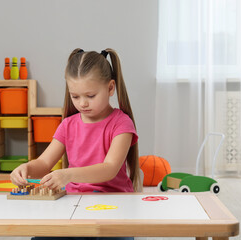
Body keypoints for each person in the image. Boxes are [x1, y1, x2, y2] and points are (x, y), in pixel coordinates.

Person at [10, 48, 142, 240]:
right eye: (75, 96)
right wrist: (26, 168)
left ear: (110, 88)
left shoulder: (121, 123)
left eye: (90, 96)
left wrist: (69, 174)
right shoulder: (68, 125)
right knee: (41, 237)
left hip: (114, 202)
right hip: (72, 202)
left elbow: (110, 168)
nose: (82, 104)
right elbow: (44, 163)